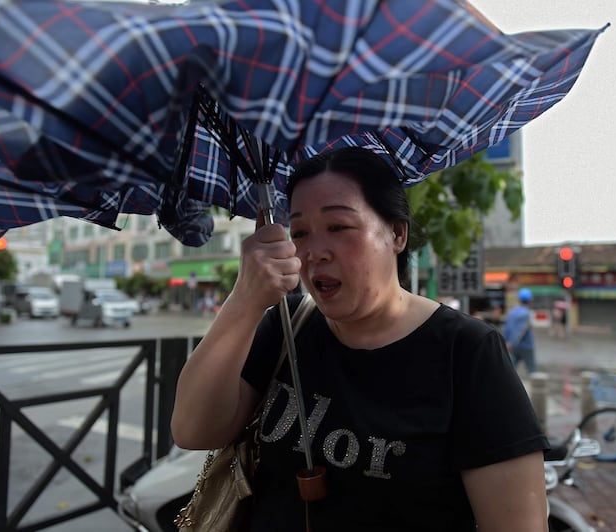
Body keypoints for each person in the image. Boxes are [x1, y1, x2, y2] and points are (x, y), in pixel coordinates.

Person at [171, 147, 549, 531]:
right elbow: (192, 429)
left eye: (338, 227)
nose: (313, 253)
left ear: (397, 233)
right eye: (299, 232)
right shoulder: (287, 326)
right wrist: (246, 300)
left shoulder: (466, 350)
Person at [503, 288, 537, 375]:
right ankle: (536, 387)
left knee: (510, 371)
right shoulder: (526, 313)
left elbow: (507, 328)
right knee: (532, 370)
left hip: (513, 347)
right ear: (529, 300)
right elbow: (520, 330)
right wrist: (511, 343)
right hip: (526, 346)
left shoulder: (512, 312)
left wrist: (506, 342)